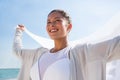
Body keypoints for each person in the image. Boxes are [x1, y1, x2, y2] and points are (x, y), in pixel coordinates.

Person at [13, 9, 120, 80]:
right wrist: (18, 31)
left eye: (57, 20)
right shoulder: (39, 54)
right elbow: (17, 51)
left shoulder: (81, 53)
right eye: (48, 22)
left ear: (69, 27)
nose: (52, 25)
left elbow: (115, 45)